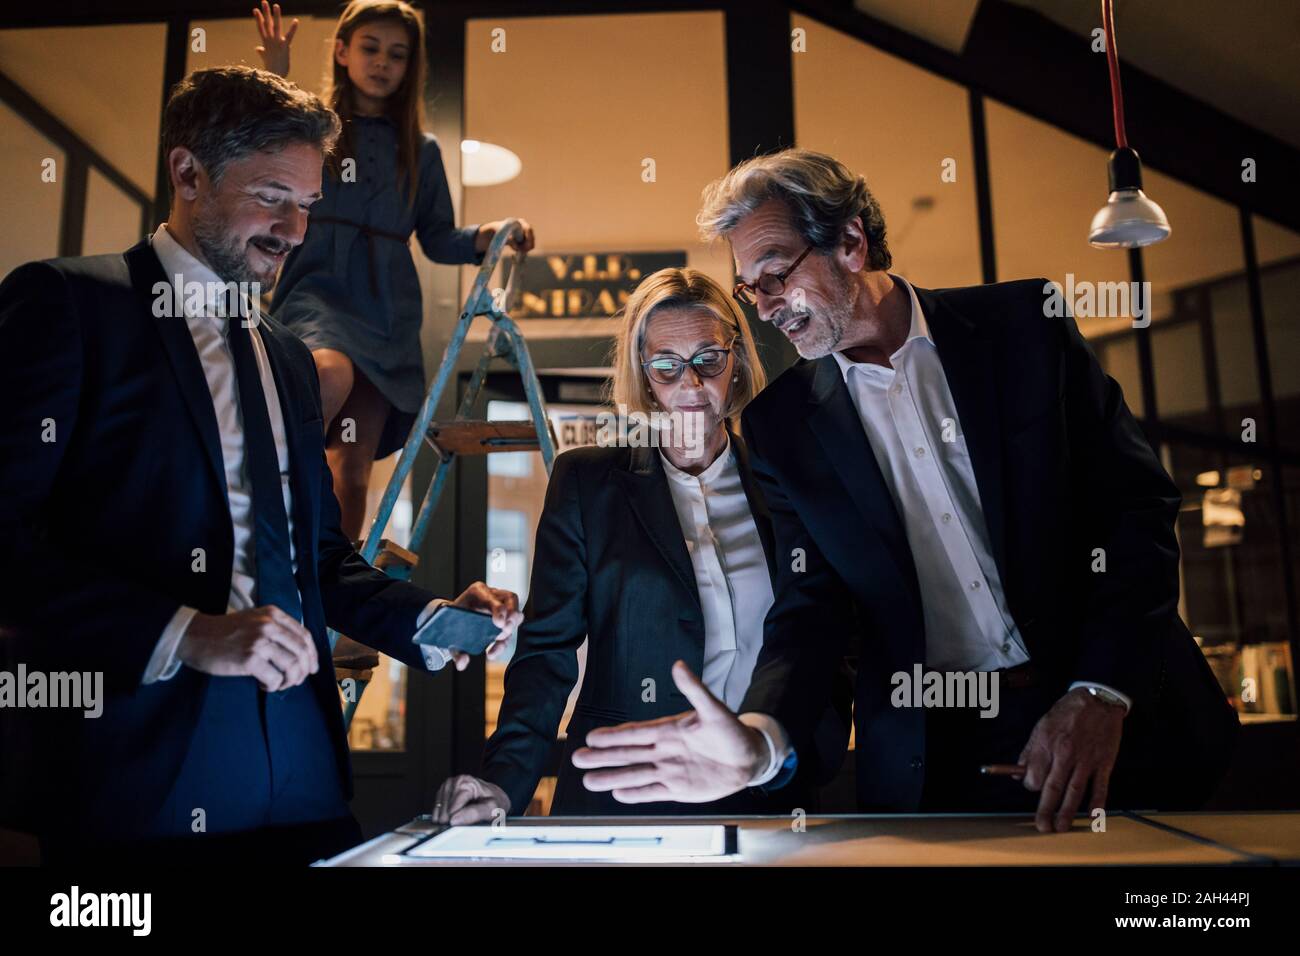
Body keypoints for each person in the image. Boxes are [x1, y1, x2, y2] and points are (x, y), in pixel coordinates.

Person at [573, 148, 1239, 832]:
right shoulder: (779, 426)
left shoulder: (1024, 329)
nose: (765, 309)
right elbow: (813, 606)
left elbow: (1137, 512)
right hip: (938, 760)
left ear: (853, 243)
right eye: (750, 289)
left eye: (774, 276)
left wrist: (1100, 692)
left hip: (1120, 719)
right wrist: (764, 738)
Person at [0, 65, 521, 864]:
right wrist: (187, 633)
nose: (295, 231)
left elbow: (315, 558)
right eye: (273, 196)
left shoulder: (287, 358)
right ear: (187, 172)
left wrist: (427, 620)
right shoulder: (68, 305)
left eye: (309, 205)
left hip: (304, 782)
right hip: (138, 782)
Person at [432, 268, 851, 823]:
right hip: (624, 792)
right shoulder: (587, 484)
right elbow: (545, 655)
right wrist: (504, 785)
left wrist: (797, 757)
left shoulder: (790, 483)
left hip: (765, 792)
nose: (692, 385)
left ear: (737, 361)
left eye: (709, 359)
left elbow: (821, 638)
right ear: (644, 374)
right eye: (666, 365)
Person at [253, 0, 536, 540]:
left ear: (411, 67)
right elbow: (259, 145)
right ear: (341, 51)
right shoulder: (313, 128)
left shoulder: (421, 150)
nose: (383, 62)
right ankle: (265, 505)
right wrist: (274, 74)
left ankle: (327, 584)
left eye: (398, 54)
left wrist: (492, 233)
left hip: (386, 314)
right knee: (326, 374)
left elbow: (437, 238)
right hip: (318, 290)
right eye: (370, 47)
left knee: (353, 469)